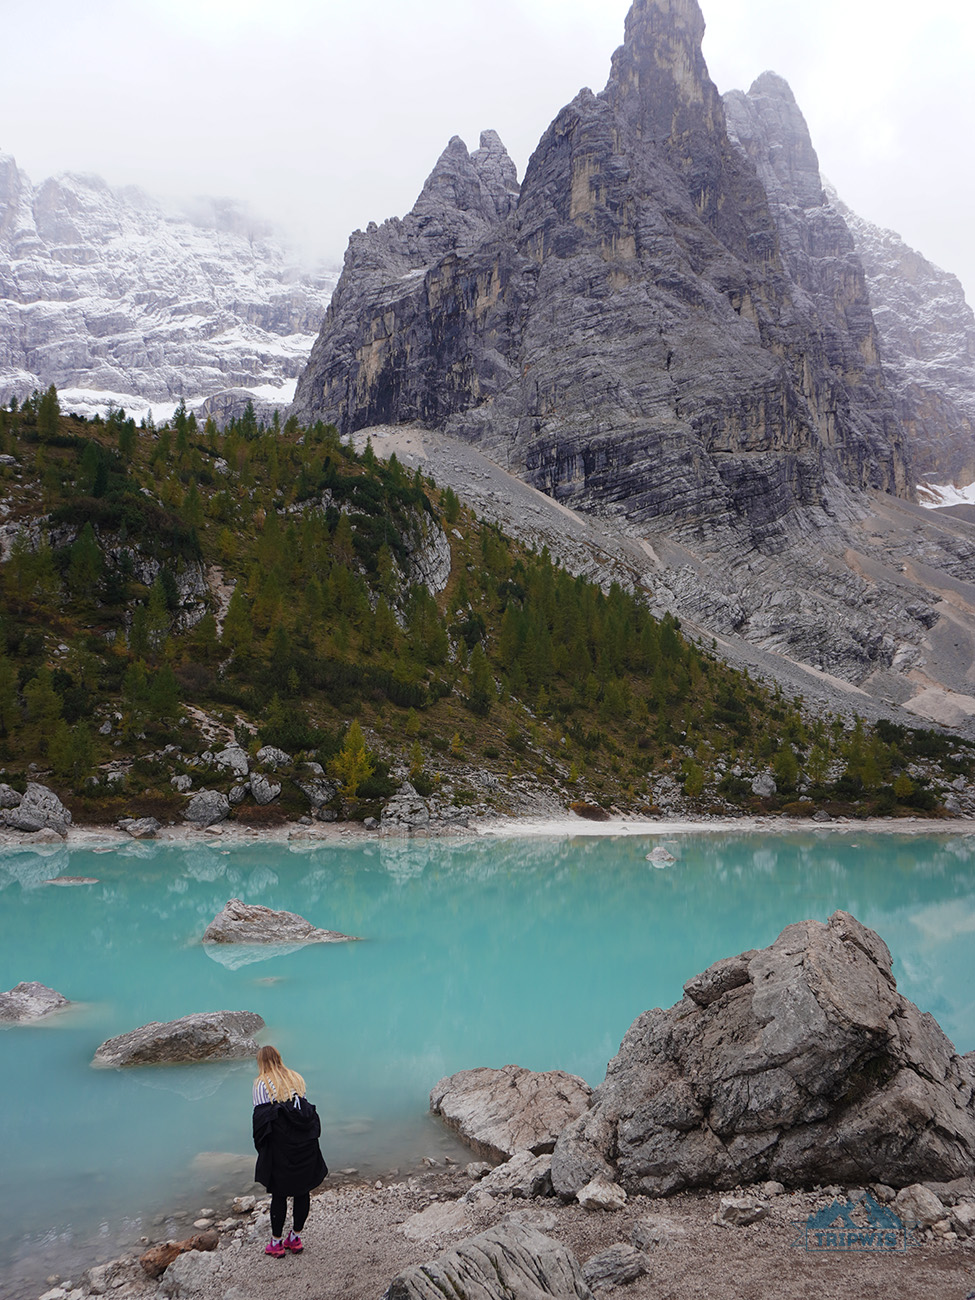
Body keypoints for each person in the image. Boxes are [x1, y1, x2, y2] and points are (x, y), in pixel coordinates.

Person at [252, 1045, 328, 1258]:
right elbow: (302, 1111)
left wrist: (263, 1151)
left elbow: (260, 1122)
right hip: (305, 1144)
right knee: (302, 1191)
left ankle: (276, 1243)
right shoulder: (296, 1078)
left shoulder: (261, 1084)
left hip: (281, 1147)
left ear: (261, 1062)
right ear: (279, 1058)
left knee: (279, 1193)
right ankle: (295, 1238)